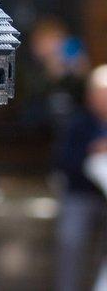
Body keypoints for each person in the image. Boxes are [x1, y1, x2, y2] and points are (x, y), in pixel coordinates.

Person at [55, 65, 107, 291]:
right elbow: (64, 162)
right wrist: (91, 152)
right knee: (71, 239)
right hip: (81, 194)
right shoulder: (78, 124)